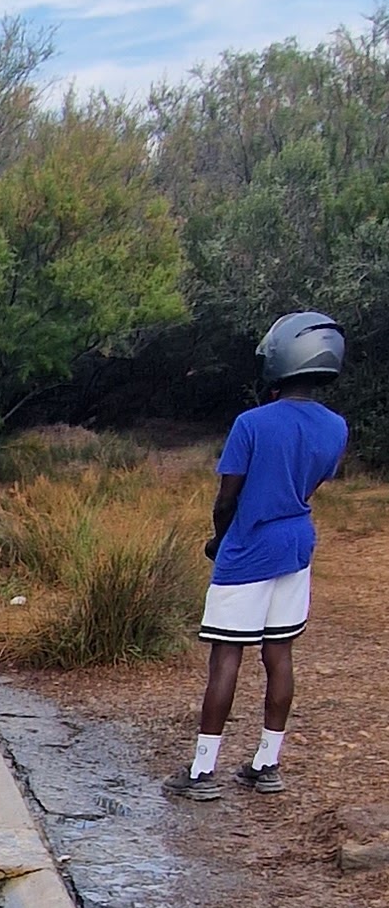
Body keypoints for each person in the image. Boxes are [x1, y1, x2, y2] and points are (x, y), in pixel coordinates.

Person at [167, 311, 347, 796]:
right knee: (279, 652)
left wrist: (218, 539)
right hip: (297, 545)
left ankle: (203, 771)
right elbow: (310, 483)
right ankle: (267, 764)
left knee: (226, 655)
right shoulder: (335, 427)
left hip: (248, 548)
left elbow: (227, 498)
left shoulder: (251, 423)